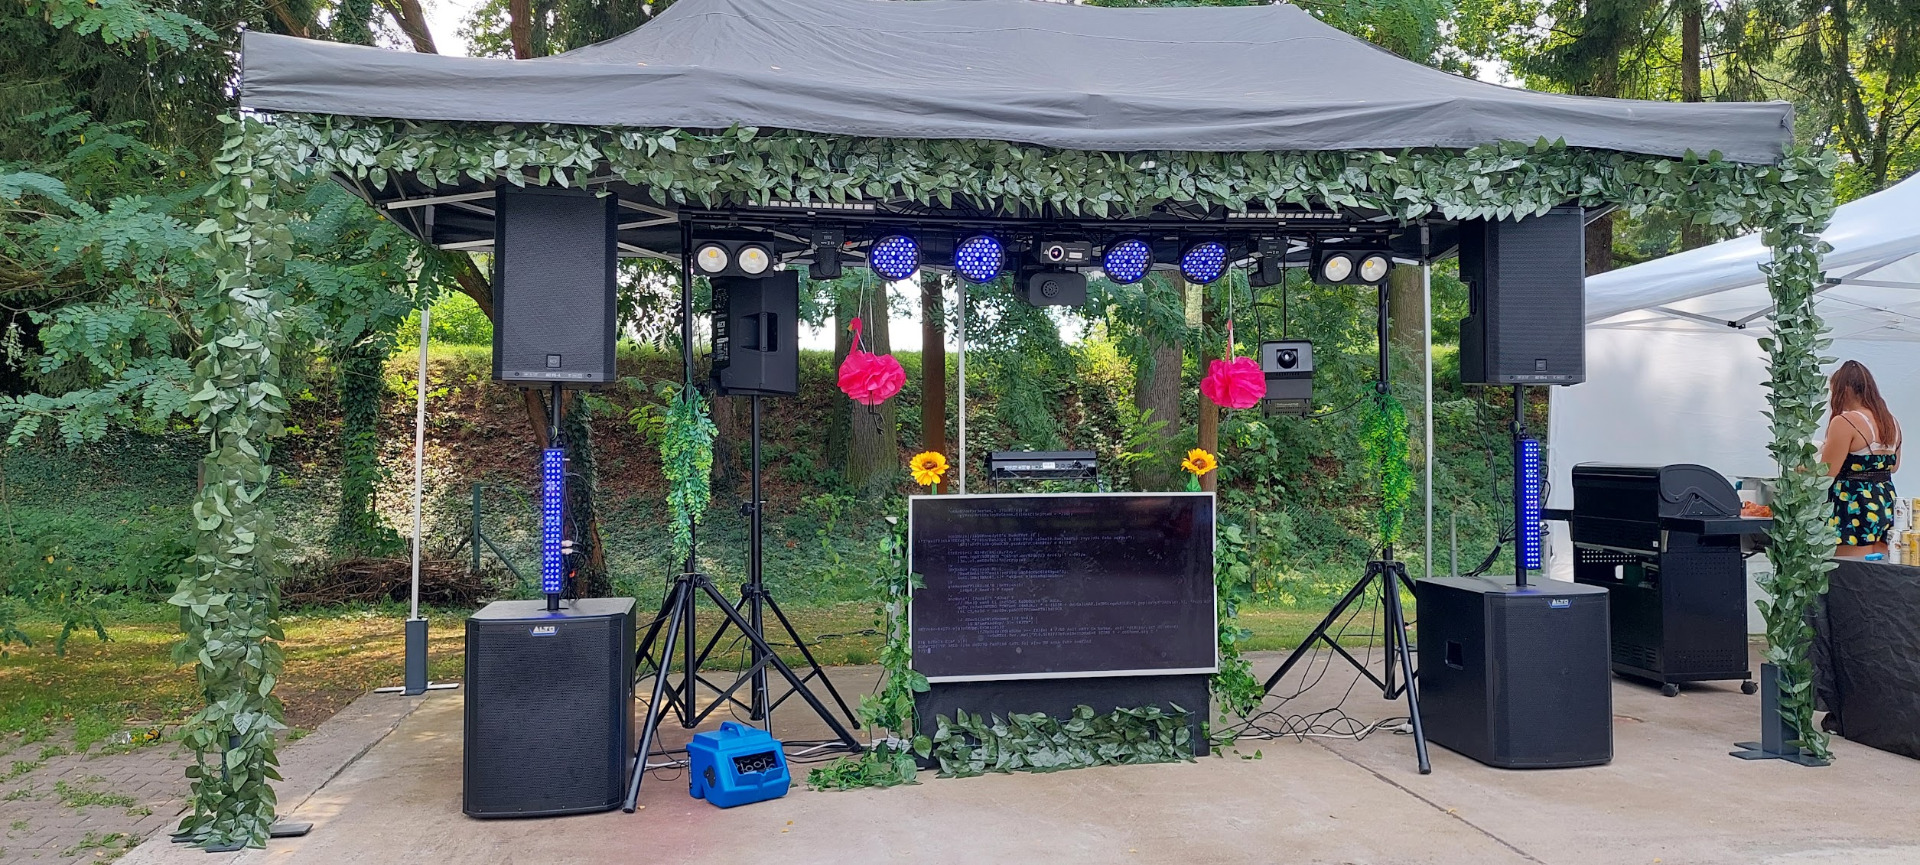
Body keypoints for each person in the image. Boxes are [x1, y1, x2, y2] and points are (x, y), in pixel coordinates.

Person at [1820, 360, 1902, 557]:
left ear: (1845, 390)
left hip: (1852, 505)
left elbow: (1827, 472)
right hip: (1885, 501)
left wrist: (1802, 467)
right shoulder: (1891, 422)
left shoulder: (1845, 421)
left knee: (1850, 569)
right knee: (1881, 567)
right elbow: (1893, 467)